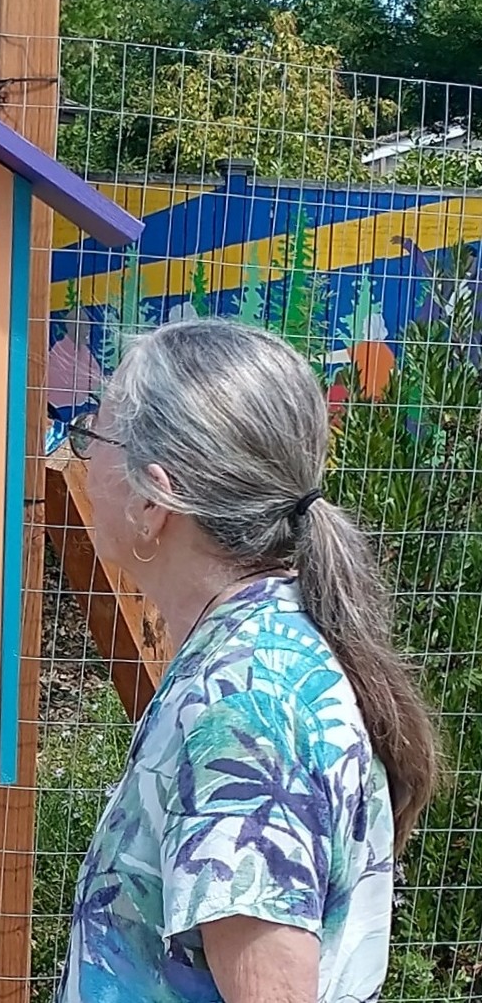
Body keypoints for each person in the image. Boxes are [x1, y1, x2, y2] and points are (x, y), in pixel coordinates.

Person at [60, 318, 438, 1003]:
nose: (79, 455)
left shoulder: (244, 706)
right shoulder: (255, 650)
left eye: (92, 434)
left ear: (153, 497)